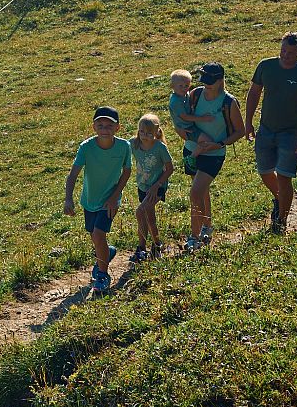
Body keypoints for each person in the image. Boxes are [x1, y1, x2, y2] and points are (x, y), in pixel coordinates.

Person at [246, 31, 297, 233]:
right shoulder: (266, 66)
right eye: (282, 50)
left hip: (291, 132)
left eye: (290, 52)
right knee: (264, 172)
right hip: (266, 129)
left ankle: (280, 221)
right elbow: (254, 93)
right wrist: (248, 122)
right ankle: (281, 199)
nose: (285, 55)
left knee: (284, 176)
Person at [64, 106, 132, 293]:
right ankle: (107, 252)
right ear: (94, 127)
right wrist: (68, 199)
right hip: (89, 200)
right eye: (100, 125)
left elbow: (127, 171)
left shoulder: (124, 146)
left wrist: (114, 196)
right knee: (96, 238)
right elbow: (72, 176)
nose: (104, 129)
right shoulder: (86, 147)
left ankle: (102, 275)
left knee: (97, 234)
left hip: (110, 200)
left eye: (109, 125)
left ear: (117, 128)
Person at [183, 62, 247, 252]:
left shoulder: (229, 102)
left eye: (211, 80)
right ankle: (207, 227)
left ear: (221, 80)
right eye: (204, 79)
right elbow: (184, 120)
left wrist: (218, 144)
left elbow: (240, 131)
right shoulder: (195, 94)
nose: (206, 84)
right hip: (191, 150)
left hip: (214, 154)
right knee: (201, 191)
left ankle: (194, 238)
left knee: (195, 193)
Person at [130, 114, 174, 261]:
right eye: (141, 132)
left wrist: (157, 185)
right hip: (143, 186)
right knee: (148, 217)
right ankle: (151, 246)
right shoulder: (134, 144)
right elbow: (120, 147)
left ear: (157, 133)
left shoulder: (160, 148)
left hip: (157, 186)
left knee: (140, 211)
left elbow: (170, 168)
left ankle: (148, 246)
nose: (144, 136)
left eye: (149, 133)